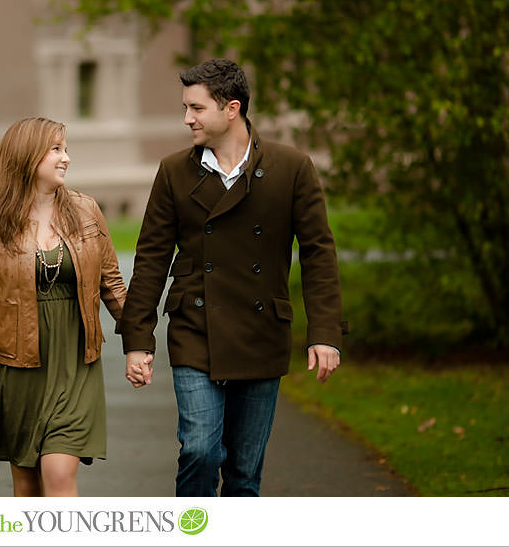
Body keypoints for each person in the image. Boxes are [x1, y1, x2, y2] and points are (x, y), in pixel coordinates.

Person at [120, 59, 348, 497]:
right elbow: (150, 258)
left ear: (232, 109)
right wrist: (137, 341)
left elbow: (319, 252)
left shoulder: (291, 167)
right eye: (186, 108)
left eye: (196, 109)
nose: (187, 118)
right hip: (195, 329)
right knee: (201, 450)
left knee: (244, 472)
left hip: (262, 331)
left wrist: (324, 333)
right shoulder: (174, 171)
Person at [0, 116, 127, 497]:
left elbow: (111, 283)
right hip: (17, 364)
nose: (66, 158)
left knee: (59, 474)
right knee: (27, 485)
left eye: (65, 149)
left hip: (76, 360)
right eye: (56, 149)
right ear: (27, 156)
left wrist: (140, 342)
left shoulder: (86, 210)